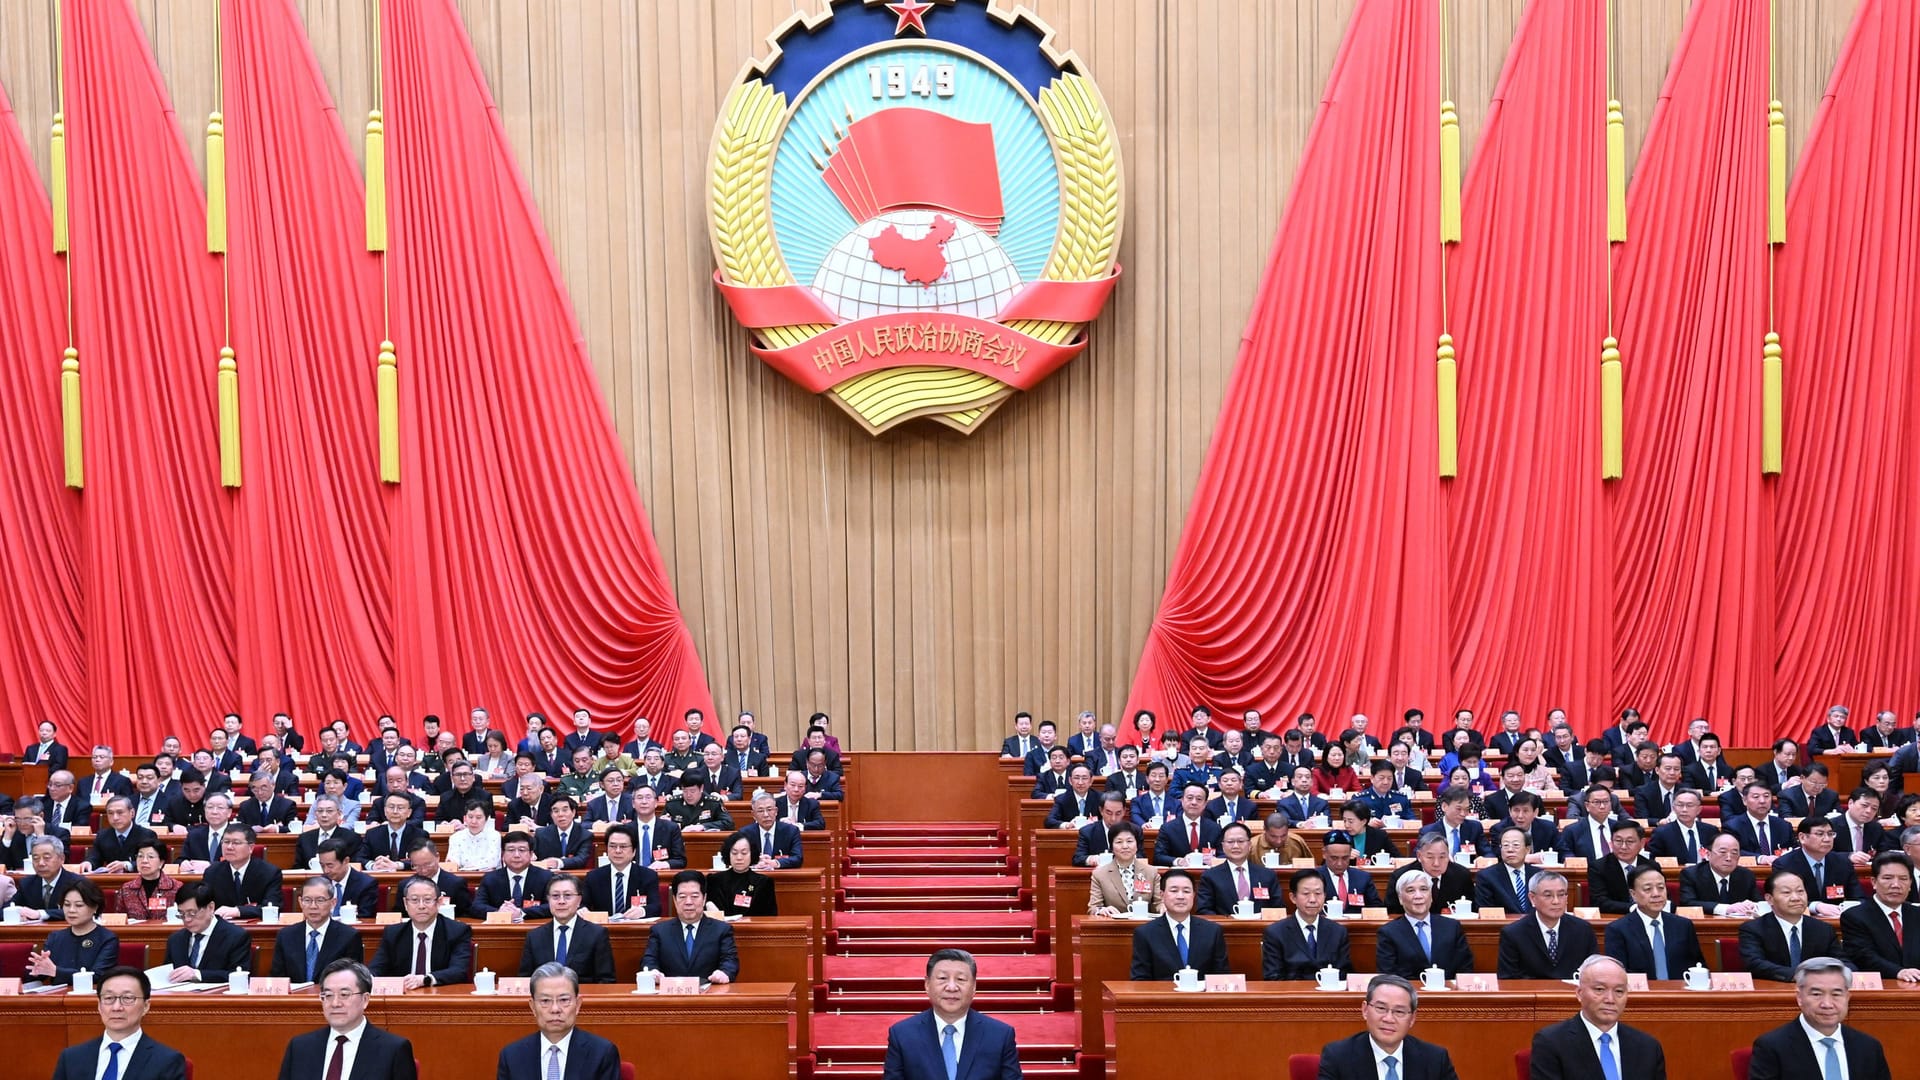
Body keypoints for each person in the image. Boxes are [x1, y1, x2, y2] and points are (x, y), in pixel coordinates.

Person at [882, 948, 1021, 1080]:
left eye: (961, 979)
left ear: (974, 987)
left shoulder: (1000, 1035)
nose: (952, 987)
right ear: (927, 984)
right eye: (942, 978)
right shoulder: (902, 1035)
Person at [1746, 956, 1892, 1080]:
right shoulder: (1771, 1047)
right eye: (1816, 994)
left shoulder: (1869, 1047)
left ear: (1847, 997)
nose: (1827, 1004)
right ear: (1799, 998)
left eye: (1836, 994)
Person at [1529, 955, 1668, 1080]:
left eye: (1619, 991)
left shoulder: (1648, 1047)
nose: (1610, 999)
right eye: (1599, 989)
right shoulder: (1551, 1043)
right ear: (1579, 993)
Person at [276, 960, 418, 1080]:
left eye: (344, 994)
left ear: (365, 999)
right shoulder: (300, 1047)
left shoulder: (393, 1049)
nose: (335, 1003)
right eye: (328, 995)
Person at [49, 967, 188, 1080]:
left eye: (127, 998)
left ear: (146, 1006)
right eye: (109, 998)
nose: (116, 1007)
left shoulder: (167, 1061)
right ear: (99, 1006)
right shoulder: (71, 1057)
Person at [1314, 974, 1459, 1080]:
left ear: (1412, 1018)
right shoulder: (1337, 1057)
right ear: (1365, 1010)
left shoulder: (1435, 1059)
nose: (1389, 1018)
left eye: (1399, 1011)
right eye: (1381, 1008)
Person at [496, 962, 623, 1080]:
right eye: (545, 1001)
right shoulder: (511, 1056)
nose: (555, 1009)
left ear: (578, 1005)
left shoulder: (602, 1053)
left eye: (563, 1000)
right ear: (533, 1007)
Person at [369, 875, 474, 987]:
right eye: (414, 900)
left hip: (440, 996)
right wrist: (368, 977)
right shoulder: (393, 933)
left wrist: (425, 979)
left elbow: (458, 971)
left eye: (427, 900)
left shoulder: (457, 931)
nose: (421, 906)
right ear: (405, 903)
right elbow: (377, 968)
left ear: (439, 902)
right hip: (403, 997)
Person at [1603, 863, 1703, 978]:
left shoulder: (1683, 925)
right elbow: (1617, 974)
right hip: (1639, 994)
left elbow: (1698, 965)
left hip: (1679, 993)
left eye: (1661, 888)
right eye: (1648, 889)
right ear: (1633, 894)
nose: (1656, 894)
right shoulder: (1618, 930)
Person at [1738, 870, 1840, 982]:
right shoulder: (1753, 929)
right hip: (1774, 990)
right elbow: (1755, 964)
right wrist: (1800, 975)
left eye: (1800, 891)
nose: (1796, 898)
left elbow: (1841, 961)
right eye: (1786, 892)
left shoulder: (1824, 929)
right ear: (1769, 899)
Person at [1128, 868, 1227, 979]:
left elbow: (1222, 978)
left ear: (1194, 895)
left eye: (1186, 891)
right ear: (1162, 894)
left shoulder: (1212, 931)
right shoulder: (1145, 933)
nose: (1180, 896)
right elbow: (1140, 979)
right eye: (1174, 891)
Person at [642, 871, 739, 982]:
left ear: (704, 899)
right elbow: (649, 960)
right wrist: (653, 972)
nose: (688, 902)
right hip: (671, 995)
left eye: (694, 896)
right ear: (674, 900)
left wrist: (724, 973)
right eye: (682, 897)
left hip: (709, 994)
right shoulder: (659, 931)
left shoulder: (721, 930)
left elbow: (730, 961)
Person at [1837, 851, 1920, 982]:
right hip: (1880, 984)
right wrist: (1898, 972)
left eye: (1903, 879)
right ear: (1874, 882)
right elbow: (1863, 956)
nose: (1896, 885)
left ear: (1910, 884)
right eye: (1888, 878)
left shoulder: (1916, 914)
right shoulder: (1854, 916)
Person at [517, 874, 614, 983]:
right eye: (555, 896)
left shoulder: (596, 934)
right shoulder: (534, 936)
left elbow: (606, 980)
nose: (561, 901)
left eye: (567, 895)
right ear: (548, 900)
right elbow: (525, 980)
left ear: (579, 901)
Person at [1495, 871, 1593, 980]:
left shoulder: (1583, 929)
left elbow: (1594, 971)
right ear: (1532, 898)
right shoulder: (1513, 933)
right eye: (1548, 895)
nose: (1556, 901)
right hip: (1531, 994)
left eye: (1561, 895)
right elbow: (1508, 979)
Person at [1376, 872, 1473, 978]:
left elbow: (1465, 968)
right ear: (1400, 899)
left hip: (1447, 991)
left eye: (1423, 889)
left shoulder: (1452, 927)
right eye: (1411, 890)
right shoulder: (1389, 932)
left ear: (1431, 896)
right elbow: (1388, 974)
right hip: (1408, 992)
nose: (1418, 896)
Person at [272, 877, 366, 982]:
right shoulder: (286, 936)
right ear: (300, 902)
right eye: (307, 900)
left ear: (333, 902)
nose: (313, 906)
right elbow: (277, 979)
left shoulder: (349, 937)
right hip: (295, 997)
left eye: (320, 900)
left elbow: (353, 979)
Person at [28, 878, 120, 985]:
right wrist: (36, 971)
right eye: (67, 904)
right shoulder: (55, 937)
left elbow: (98, 976)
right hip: (57, 997)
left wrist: (56, 971)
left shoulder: (108, 938)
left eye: (79, 905)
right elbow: (43, 973)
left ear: (95, 907)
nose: (71, 910)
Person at [1261, 869, 1350, 980]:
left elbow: (1344, 974)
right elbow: (1272, 977)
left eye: (1318, 893)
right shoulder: (1275, 932)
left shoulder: (1338, 931)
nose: (1312, 900)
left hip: (1329, 994)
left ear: (1325, 896)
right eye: (1306, 893)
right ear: (1293, 898)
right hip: (1291, 994)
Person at [159, 882, 250, 984]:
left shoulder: (236, 936)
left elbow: (240, 975)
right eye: (181, 914)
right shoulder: (175, 939)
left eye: (192, 913)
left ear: (211, 908)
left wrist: (197, 974)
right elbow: (168, 974)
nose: (187, 919)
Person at [1769, 815, 1861, 905]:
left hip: (1836, 917)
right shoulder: (1784, 865)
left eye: (1830, 834)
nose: (1827, 839)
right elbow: (1783, 899)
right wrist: (1815, 907)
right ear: (1802, 838)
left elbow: (1858, 898)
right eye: (1820, 834)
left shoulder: (1843, 863)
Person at [1197, 821, 1281, 915]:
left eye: (1241, 841)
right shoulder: (1210, 876)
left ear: (1249, 845)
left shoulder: (1267, 875)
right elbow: (1204, 910)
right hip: (1225, 928)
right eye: (1230, 842)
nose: (1236, 846)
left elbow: (1278, 908)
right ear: (1223, 846)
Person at [581, 824, 660, 919]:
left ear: (634, 851)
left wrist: (642, 911)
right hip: (602, 931)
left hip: (635, 930)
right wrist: (582, 910)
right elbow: (583, 904)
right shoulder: (593, 877)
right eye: (613, 846)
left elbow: (656, 907)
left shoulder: (648, 876)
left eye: (623, 846)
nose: (617, 851)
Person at [475, 831, 556, 921]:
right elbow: (477, 907)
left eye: (522, 850)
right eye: (511, 850)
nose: (516, 855)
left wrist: (521, 912)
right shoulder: (490, 878)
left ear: (531, 854)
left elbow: (553, 905)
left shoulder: (546, 877)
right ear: (502, 854)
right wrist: (499, 912)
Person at [1678, 833, 1764, 917]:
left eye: (1734, 853)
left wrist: (1753, 905)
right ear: (1708, 854)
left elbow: (1759, 903)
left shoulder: (1746, 875)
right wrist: (1727, 908)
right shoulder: (1691, 874)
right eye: (1723, 852)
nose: (1729, 858)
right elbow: (1688, 903)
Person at [1386, 834, 1471, 916]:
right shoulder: (1401, 877)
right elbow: (1392, 913)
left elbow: (1472, 910)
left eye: (1442, 857)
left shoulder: (1461, 875)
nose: (1436, 863)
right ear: (1419, 856)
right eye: (1430, 857)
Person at [1588, 820, 1657, 916]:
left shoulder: (1651, 867)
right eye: (1618, 841)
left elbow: (1662, 896)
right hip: (1615, 919)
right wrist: (1633, 908)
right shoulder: (1598, 867)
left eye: (1630, 841)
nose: (1623, 847)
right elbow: (1600, 902)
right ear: (1611, 843)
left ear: (1642, 843)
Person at [1087, 823, 1159, 916]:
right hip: (1114, 927)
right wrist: (1101, 910)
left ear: (1137, 845)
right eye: (1119, 842)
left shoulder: (1151, 872)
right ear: (1111, 847)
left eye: (1129, 841)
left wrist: (1163, 908)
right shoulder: (1100, 874)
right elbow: (1093, 908)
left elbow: (1158, 903)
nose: (1125, 846)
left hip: (1145, 926)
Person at [707, 832, 779, 917]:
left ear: (752, 854)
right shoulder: (715, 880)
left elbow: (769, 916)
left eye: (744, 853)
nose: (739, 858)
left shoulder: (764, 882)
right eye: (734, 853)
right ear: (728, 854)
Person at [1152, 783, 1223, 867]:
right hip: (1178, 876)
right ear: (1182, 800)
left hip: (1209, 876)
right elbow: (1158, 857)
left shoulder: (1215, 828)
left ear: (1205, 804)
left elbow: (1223, 854)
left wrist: (1215, 861)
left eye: (1199, 799)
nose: (1194, 802)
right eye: (1190, 798)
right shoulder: (1167, 828)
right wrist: (1178, 861)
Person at [83, 795, 157, 874]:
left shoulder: (147, 835)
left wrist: (127, 865)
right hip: (111, 881)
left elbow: (152, 862)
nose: (115, 817)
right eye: (110, 813)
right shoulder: (102, 835)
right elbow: (94, 857)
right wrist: (89, 863)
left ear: (132, 813)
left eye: (120, 812)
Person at [1474, 826, 1539, 915]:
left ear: (1527, 850)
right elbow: (1486, 911)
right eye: (1505, 845)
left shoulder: (1539, 875)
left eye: (1516, 845)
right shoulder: (1486, 876)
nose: (1510, 850)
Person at [116, 838, 182, 922]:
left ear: (161, 862)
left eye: (150, 857)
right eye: (140, 856)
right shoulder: (126, 889)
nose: (144, 861)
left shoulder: (176, 888)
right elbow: (120, 919)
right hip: (135, 934)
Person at [1317, 830, 1384, 910]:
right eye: (1334, 858)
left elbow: (1376, 908)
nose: (1339, 863)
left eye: (1345, 858)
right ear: (1324, 854)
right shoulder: (1314, 877)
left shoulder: (1363, 877)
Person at [294, 795, 363, 867]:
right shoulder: (304, 838)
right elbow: (298, 867)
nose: (324, 815)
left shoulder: (352, 838)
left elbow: (353, 866)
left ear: (339, 814)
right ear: (315, 814)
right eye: (320, 811)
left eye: (329, 811)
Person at [741, 790, 803, 869]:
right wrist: (755, 862)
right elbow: (739, 858)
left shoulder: (791, 831)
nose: (766, 815)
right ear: (753, 815)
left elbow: (798, 858)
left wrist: (776, 863)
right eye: (760, 811)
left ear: (776, 811)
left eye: (769, 810)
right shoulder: (745, 834)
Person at [662, 768, 735, 833]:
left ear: (701, 788)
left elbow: (729, 823)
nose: (688, 795)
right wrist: (664, 823)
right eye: (685, 791)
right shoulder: (673, 804)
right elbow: (661, 825)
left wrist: (702, 827)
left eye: (692, 791)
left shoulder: (713, 803)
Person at [533, 794, 594, 870]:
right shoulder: (541, 834)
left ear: (573, 812)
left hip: (575, 877)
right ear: (551, 815)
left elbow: (581, 859)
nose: (560, 814)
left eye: (565, 810)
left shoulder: (585, 835)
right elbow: (534, 857)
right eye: (556, 811)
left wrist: (558, 863)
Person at [446, 801, 502, 872]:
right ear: (465, 818)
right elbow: (453, 863)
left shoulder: (494, 836)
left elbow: (492, 863)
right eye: (470, 817)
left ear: (486, 819)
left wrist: (465, 868)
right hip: (461, 878)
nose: (474, 821)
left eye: (478, 817)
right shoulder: (455, 837)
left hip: (490, 878)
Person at [1249, 810, 1313, 866]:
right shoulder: (1251, 846)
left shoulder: (1297, 841)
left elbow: (1310, 865)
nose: (1279, 841)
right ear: (1265, 830)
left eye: (1283, 836)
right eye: (1273, 836)